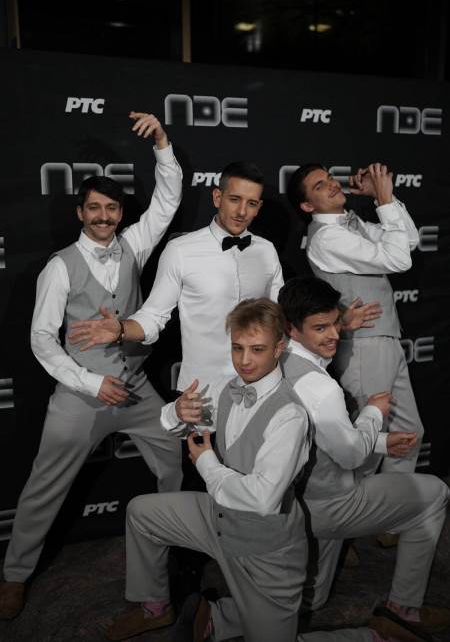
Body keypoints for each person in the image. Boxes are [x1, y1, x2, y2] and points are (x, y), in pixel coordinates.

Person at [0, 112, 183, 620]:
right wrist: (88, 381)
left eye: (112, 208)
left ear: (121, 213)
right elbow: (41, 339)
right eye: (95, 208)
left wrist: (162, 142)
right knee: (43, 487)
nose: (104, 216)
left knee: (173, 462)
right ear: (80, 212)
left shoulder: (135, 245)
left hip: (138, 389)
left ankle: (172, 546)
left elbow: (167, 201)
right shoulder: (59, 267)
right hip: (81, 396)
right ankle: (14, 576)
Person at [102, 298, 310, 642]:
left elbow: (262, 500)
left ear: (279, 348)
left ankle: (375, 636)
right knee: (142, 513)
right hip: (217, 518)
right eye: (238, 348)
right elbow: (182, 424)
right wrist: (177, 412)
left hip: (265, 548)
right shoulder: (229, 389)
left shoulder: (290, 415)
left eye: (257, 349)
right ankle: (156, 608)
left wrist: (207, 462)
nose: (244, 360)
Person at [278, 276, 450, 641]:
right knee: (435, 493)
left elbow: (321, 437)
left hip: (293, 504)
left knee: (311, 599)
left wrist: (383, 443)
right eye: (321, 328)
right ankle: (403, 610)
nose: (334, 336)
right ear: (292, 329)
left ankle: (218, 617)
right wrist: (373, 413)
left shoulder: (277, 364)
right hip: (329, 503)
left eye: (334, 324)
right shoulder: (320, 386)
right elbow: (351, 454)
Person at [68, 161, 285, 390]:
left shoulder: (266, 251)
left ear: (258, 207)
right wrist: (122, 330)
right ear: (217, 197)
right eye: (234, 199)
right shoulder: (181, 250)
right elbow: (154, 315)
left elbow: (279, 319)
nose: (242, 212)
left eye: (251, 203)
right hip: (202, 390)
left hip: (262, 387)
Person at [287, 162, 424, 478]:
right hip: (363, 347)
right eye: (320, 185)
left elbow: (409, 241)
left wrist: (383, 199)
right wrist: (385, 200)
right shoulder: (327, 237)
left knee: (408, 432)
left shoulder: (351, 223)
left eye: (329, 178)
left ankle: (393, 504)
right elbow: (397, 260)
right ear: (307, 205)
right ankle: (356, 507)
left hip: (384, 339)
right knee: (366, 446)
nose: (332, 184)